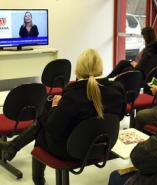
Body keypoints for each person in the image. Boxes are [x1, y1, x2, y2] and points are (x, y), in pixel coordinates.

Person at [0, 49, 126, 185]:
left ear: (78, 70)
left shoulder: (72, 97)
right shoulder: (117, 90)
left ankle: (37, 178)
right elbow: (119, 116)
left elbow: (53, 128)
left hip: (72, 150)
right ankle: (13, 147)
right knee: (44, 123)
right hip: (104, 145)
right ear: (101, 68)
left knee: (42, 129)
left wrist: (54, 106)